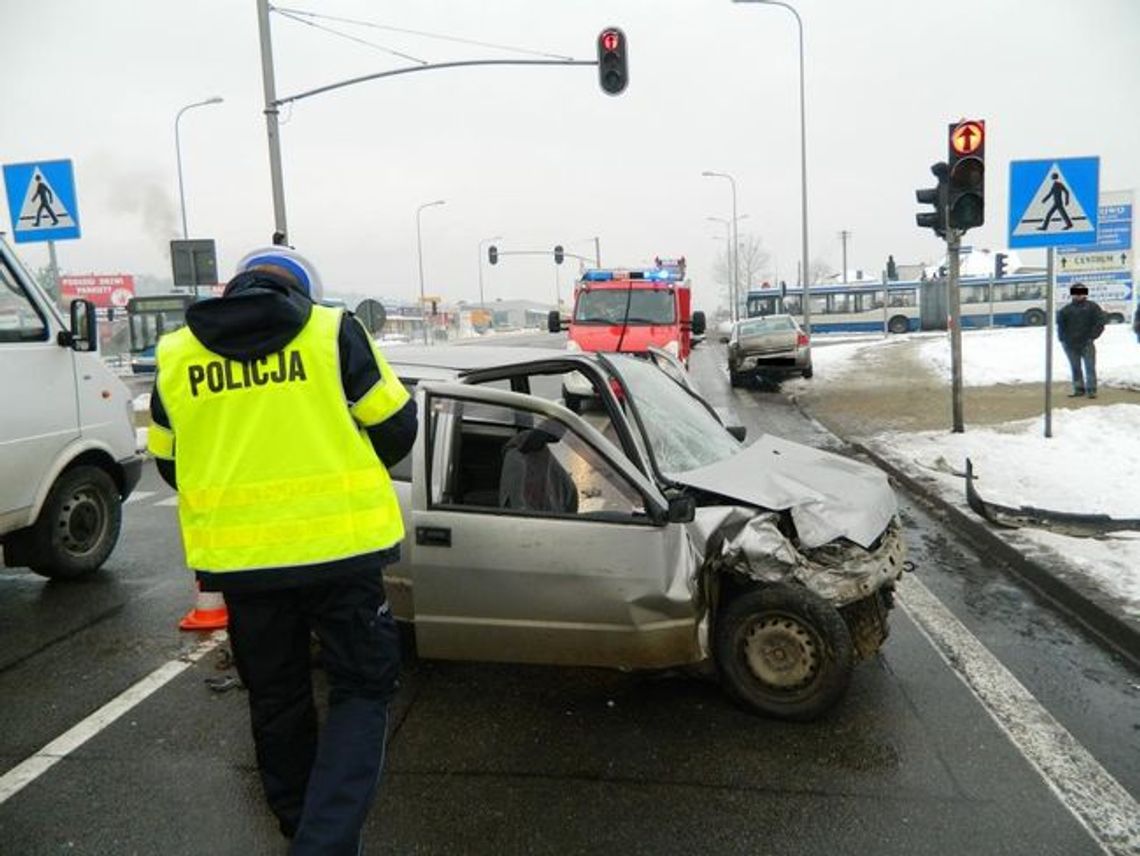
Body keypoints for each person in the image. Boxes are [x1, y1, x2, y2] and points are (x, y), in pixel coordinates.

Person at [147, 246, 416, 853]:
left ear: (235, 286)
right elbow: (398, 429)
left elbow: (168, 463)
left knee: (276, 700)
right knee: (362, 689)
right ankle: (322, 844)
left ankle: (301, 830)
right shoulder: (331, 333)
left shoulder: (175, 355)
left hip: (245, 568)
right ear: (301, 290)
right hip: (341, 556)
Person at [1056, 282, 1106, 398]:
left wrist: (1092, 336)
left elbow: (1100, 322)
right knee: (1075, 367)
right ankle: (1078, 389)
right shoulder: (1065, 310)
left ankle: (1091, 390)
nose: (1078, 295)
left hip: (1087, 343)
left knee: (1090, 367)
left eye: (1081, 292)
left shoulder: (1093, 307)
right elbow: (1061, 326)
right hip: (1070, 344)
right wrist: (1063, 340)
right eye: (1075, 292)